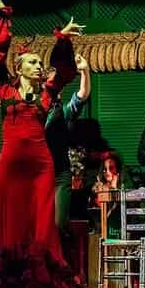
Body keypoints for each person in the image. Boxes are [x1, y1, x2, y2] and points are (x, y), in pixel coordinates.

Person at [0, 0, 145, 288]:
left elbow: (64, 72)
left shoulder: (47, 96)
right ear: (19, 69)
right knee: (13, 226)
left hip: (41, 168)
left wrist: (62, 40)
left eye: (39, 62)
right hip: (11, 168)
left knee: (43, 227)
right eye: (32, 62)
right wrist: (4, 19)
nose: (38, 65)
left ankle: (41, 286)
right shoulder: (5, 89)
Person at [45, 54, 90, 235]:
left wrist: (85, 71)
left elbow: (82, 95)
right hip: (38, 173)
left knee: (57, 223)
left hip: (58, 174)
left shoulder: (63, 111)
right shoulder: (32, 108)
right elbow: (1, 100)